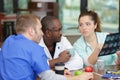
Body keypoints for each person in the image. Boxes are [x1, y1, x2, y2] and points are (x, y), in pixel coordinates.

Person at [0, 14, 93, 80]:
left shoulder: (8, 42)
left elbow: (20, 70)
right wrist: (78, 78)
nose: (42, 33)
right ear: (31, 31)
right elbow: (48, 77)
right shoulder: (34, 48)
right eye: (40, 29)